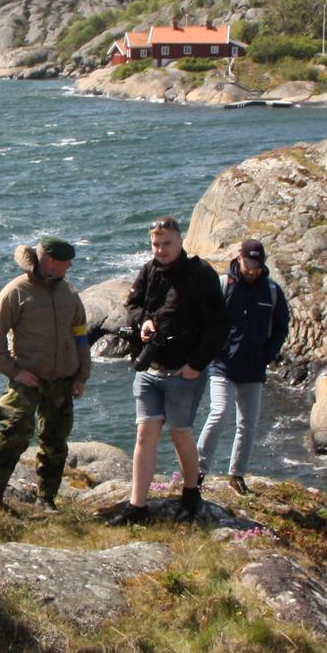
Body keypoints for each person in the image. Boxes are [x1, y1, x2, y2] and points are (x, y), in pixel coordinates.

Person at [118, 217, 226, 523]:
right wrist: (144, 321)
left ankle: (191, 493)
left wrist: (196, 365)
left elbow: (219, 326)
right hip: (150, 369)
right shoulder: (150, 270)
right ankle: (136, 507)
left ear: (180, 241)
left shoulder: (200, 274)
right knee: (144, 435)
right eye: (156, 244)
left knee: (180, 434)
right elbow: (133, 304)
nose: (161, 249)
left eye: (166, 243)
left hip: (183, 373)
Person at [0, 237, 91, 509]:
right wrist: (14, 371)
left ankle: (47, 499)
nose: (70, 266)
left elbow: (79, 334)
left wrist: (81, 375)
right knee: (14, 434)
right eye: (67, 261)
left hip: (62, 381)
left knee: (55, 442)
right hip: (27, 380)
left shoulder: (68, 292)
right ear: (51, 261)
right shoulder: (17, 291)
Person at [194, 238, 290, 496]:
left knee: (248, 425)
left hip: (254, 369)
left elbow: (282, 325)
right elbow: (205, 320)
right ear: (239, 258)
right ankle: (197, 472)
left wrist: (268, 354)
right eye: (249, 263)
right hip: (222, 365)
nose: (253, 269)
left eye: (257, 264)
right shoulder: (224, 286)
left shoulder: (271, 291)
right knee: (219, 413)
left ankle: (236, 476)